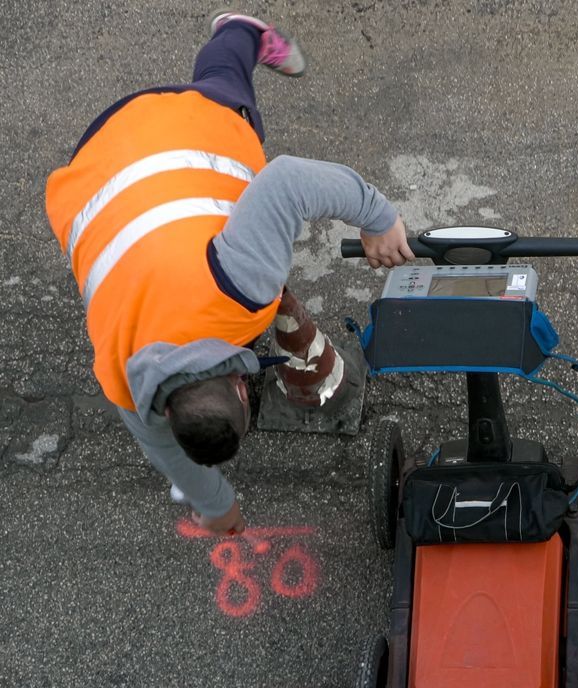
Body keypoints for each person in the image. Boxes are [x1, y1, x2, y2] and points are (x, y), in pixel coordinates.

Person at [45, 11, 414, 535]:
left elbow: (286, 181)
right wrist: (213, 506)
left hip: (187, 130)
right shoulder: (123, 376)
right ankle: (233, 42)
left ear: (243, 389)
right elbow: (158, 446)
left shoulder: (239, 283)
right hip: (99, 154)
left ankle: (242, 32)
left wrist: (380, 219)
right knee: (215, 89)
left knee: (224, 87)